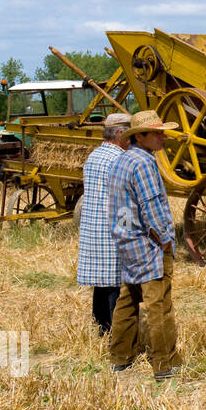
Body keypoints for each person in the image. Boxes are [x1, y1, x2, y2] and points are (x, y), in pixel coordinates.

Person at [107, 110, 182, 382]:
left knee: (127, 301)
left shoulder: (122, 161)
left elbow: (121, 207)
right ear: (140, 136)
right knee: (158, 304)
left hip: (127, 243)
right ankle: (164, 364)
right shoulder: (145, 164)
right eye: (157, 133)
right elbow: (151, 207)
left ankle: (119, 357)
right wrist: (164, 240)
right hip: (149, 246)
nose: (163, 137)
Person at [76, 112, 132, 335]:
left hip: (93, 230)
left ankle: (101, 329)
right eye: (130, 134)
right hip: (112, 231)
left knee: (101, 283)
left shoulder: (94, 156)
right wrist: (129, 233)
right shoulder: (119, 159)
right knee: (114, 286)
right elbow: (123, 202)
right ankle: (116, 336)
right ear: (120, 133)